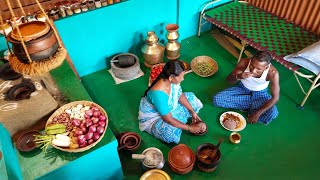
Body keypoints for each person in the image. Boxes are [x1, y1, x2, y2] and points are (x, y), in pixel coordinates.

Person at [138, 60, 203, 143]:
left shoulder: (171, 81)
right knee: (169, 133)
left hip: (167, 109)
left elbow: (179, 94)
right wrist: (189, 128)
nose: (182, 79)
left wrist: (192, 111)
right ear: (171, 77)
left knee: (193, 100)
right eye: (180, 77)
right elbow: (168, 119)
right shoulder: (158, 94)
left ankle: (182, 118)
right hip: (155, 117)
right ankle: (181, 121)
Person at [213, 51, 279, 125]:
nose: (253, 71)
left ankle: (248, 107)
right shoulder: (244, 63)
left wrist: (257, 113)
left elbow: (275, 98)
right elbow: (229, 80)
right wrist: (239, 76)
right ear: (250, 60)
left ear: (266, 67)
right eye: (252, 65)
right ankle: (251, 108)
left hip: (260, 94)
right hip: (242, 89)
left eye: (258, 69)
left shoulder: (273, 73)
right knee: (217, 99)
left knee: (273, 113)